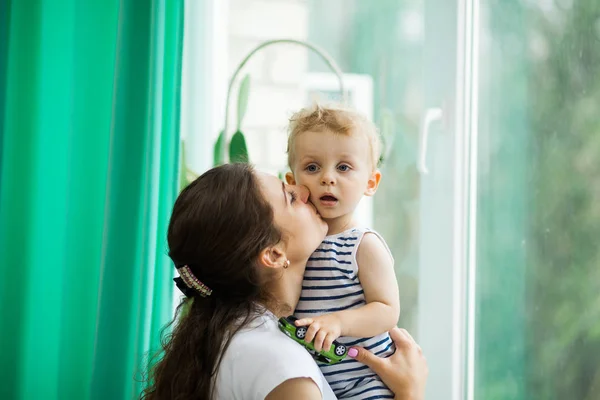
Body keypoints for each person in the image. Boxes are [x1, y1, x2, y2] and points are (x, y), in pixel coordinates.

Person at [142, 163, 427, 400]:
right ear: (274, 255)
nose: (304, 191)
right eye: (290, 197)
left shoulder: (226, 339)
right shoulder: (284, 368)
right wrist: (409, 393)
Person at [285, 104, 399, 398]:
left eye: (344, 167)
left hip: (367, 384)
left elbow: (387, 310)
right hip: (318, 386)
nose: (327, 178)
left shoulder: (363, 245)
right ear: (291, 182)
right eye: (312, 167)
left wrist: (339, 322)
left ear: (370, 183)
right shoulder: (294, 243)